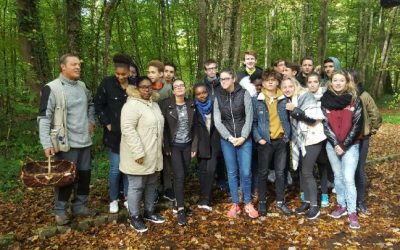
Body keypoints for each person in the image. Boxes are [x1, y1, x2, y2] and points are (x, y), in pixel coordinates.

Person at [38, 54, 96, 226]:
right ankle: (60, 211)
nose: (78, 67)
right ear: (63, 67)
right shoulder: (52, 88)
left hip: (84, 141)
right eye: (73, 64)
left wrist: (91, 120)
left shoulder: (82, 86)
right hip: (65, 143)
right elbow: (43, 117)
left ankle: (80, 207)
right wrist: (46, 143)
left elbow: (91, 104)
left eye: (79, 64)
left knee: (85, 176)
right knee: (65, 178)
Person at [120, 77, 165, 233]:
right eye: (143, 87)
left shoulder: (155, 105)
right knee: (137, 186)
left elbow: (158, 128)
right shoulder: (131, 105)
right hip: (138, 155)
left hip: (154, 153)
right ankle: (134, 217)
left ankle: (149, 211)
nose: (147, 90)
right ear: (136, 88)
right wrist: (138, 152)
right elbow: (127, 129)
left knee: (152, 184)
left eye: (149, 87)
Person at [214, 69, 258, 218]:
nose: (224, 82)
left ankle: (247, 202)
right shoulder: (217, 95)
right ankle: (235, 203)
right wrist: (229, 137)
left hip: (244, 139)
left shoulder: (244, 93)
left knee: (245, 172)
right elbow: (217, 120)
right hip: (227, 140)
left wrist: (243, 136)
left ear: (233, 79)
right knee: (232, 172)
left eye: (226, 78)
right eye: (221, 79)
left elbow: (249, 117)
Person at [321, 71, 363, 230]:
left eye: (341, 80)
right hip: (332, 146)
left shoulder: (354, 100)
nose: (338, 83)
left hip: (350, 146)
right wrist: (335, 143)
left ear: (347, 83)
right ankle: (341, 205)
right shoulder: (325, 101)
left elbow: (357, 124)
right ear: (331, 82)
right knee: (338, 177)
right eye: (335, 80)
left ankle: (352, 212)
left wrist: (343, 145)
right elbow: (325, 125)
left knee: (348, 178)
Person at [94, 53, 135, 214]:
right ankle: (113, 199)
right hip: (113, 135)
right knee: (115, 168)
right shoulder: (107, 83)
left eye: (123, 74)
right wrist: (107, 123)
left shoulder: (134, 84)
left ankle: (127, 197)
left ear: (129, 72)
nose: (120, 77)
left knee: (128, 168)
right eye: (117, 74)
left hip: (130, 134)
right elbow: (98, 105)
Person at [281, 76, 326, 220]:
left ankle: (314, 207)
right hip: (300, 140)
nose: (288, 89)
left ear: (295, 85)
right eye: (284, 87)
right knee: (302, 171)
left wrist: (295, 110)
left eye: (290, 86)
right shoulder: (290, 100)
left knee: (307, 171)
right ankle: (307, 201)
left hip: (312, 137)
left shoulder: (305, 96)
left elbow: (313, 119)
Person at [252, 68, 291, 216]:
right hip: (265, 142)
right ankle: (262, 202)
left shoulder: (284, 98)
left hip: (281, 141)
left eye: (273, 80)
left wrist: (288, 135)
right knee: (262, 173)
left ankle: (281, 202)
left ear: (277, 82)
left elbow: (289, 118)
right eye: (267, 80)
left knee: (280, 173)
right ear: (263, 82)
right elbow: (254, 123)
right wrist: (259, 138)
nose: (270, 82)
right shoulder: (256, 100)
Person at [160, 79, 198, 226]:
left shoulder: (191, 104)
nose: (180, 88)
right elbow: (163, 127)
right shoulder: (166, 105)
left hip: (187, 145)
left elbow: (196, 127)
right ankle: (181, 209)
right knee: (179, 176)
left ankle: (178, 202)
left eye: (182, 85)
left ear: (185, 88)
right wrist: (166, 146)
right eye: (176, 87)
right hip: (174, 146)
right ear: (173, 90)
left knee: (184, 174)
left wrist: (194, 146)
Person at [348, 70, 382, 214]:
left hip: (362, 138)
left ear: (355, 80)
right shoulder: (343, 95)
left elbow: (376, 115)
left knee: (359, 169)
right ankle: (348, 200)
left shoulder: (364, 95)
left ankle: (360, 201)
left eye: (349, 79)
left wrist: (371, 130)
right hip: (347, 138)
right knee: (348, 171)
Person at [147, 60, 173, 202]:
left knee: (167, 158)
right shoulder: (146, 88)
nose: (150, 75)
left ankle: (168, 188)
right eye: (148, 72)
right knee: (154, 159)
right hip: (150, 130)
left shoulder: (167, 89)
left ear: (161, 74)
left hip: (166, 129)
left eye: (153, 72)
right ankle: (155, 190)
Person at [305, 72, 332, 208]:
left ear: (319, 83)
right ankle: (306, 195)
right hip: (308, 137)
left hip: (323, 136)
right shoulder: (303, 97)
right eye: (309, 82)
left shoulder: (326, 97)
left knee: (322, 165)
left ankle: (325, 194)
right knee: (306, 168)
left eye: (315, 82)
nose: (312, 84)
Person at [193, 83, 220, 212]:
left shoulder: (215, 104)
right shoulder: (193, 108)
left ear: (207, 92)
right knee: (203, 171)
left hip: (215, 142)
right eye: (198, 94)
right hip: (201, 143)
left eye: (203, 92)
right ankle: (204, 197)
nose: (201, 95)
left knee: (211, 169)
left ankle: (207, 198)